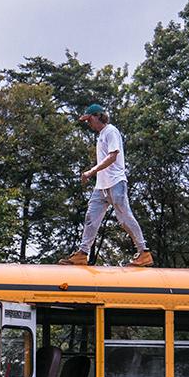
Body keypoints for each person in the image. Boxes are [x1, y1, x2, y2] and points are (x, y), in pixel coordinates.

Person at [59, 104, 153, 267]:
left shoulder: (111, 131)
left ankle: (144, 253)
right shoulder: (102, 134)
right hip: (101, 186)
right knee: (91, 218)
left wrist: (91, 172)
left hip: (116, 182)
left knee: (124, 218)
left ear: (97, 116)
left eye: (89, 120)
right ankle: (82, 254)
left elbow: (113, 156)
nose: (89, 124)